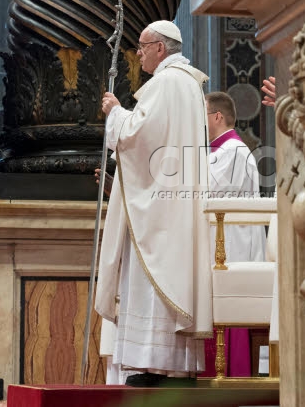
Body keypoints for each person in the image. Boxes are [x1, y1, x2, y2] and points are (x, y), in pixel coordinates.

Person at [94, 20, 212, 387]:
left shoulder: (164, 84)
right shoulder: (189, 85)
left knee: (150, 277)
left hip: (158, 211)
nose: (138, 54)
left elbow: (136, 136)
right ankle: (176, 366)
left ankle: (150, 362)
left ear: (161, 47)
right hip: (174, 203)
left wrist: (114, 111)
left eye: (143, 47)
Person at [202, 91, 267, 378]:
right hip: (224, 247)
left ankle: (231, 376)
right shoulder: (220, 152)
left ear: (217, 117)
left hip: (232, 250)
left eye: (200, 115)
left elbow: (205, 193)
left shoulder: (233, 152)